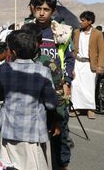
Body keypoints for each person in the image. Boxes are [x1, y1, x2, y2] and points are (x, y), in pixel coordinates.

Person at [0, 30, 57, 170]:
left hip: (9, 129)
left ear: (13, 52)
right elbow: (51, 104)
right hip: (34, 133)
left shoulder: (3, 69)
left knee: (8, 166)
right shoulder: (42, 71)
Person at [26, 0, 74, 170]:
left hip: (57, 88)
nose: (41, 13)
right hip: (32, 88)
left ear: (53, 11)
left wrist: (67, 81)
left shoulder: (61, 32)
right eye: (38, 8)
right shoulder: (26, 29)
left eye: (46, 9)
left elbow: (69, 58)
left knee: (60, 129)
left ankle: (62, 164)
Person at [21, 22, 66, 170]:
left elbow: (58, 93)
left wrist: (58, 120)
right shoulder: (15, 62)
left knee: (46, 157)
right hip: (22, 120)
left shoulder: (47, 63)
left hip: (44, 119)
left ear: (39, 43)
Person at [71, 11, 104, 119]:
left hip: (90, 64)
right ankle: (76, 108)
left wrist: (100, 65)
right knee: (76, 86)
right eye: (81, 20)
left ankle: (90, 109)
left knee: (89, 87)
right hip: (77, 62)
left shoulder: (97, 34)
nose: (81, 22)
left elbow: (101, 51)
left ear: (90, 22)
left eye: (83, 20)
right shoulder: (76, 32)